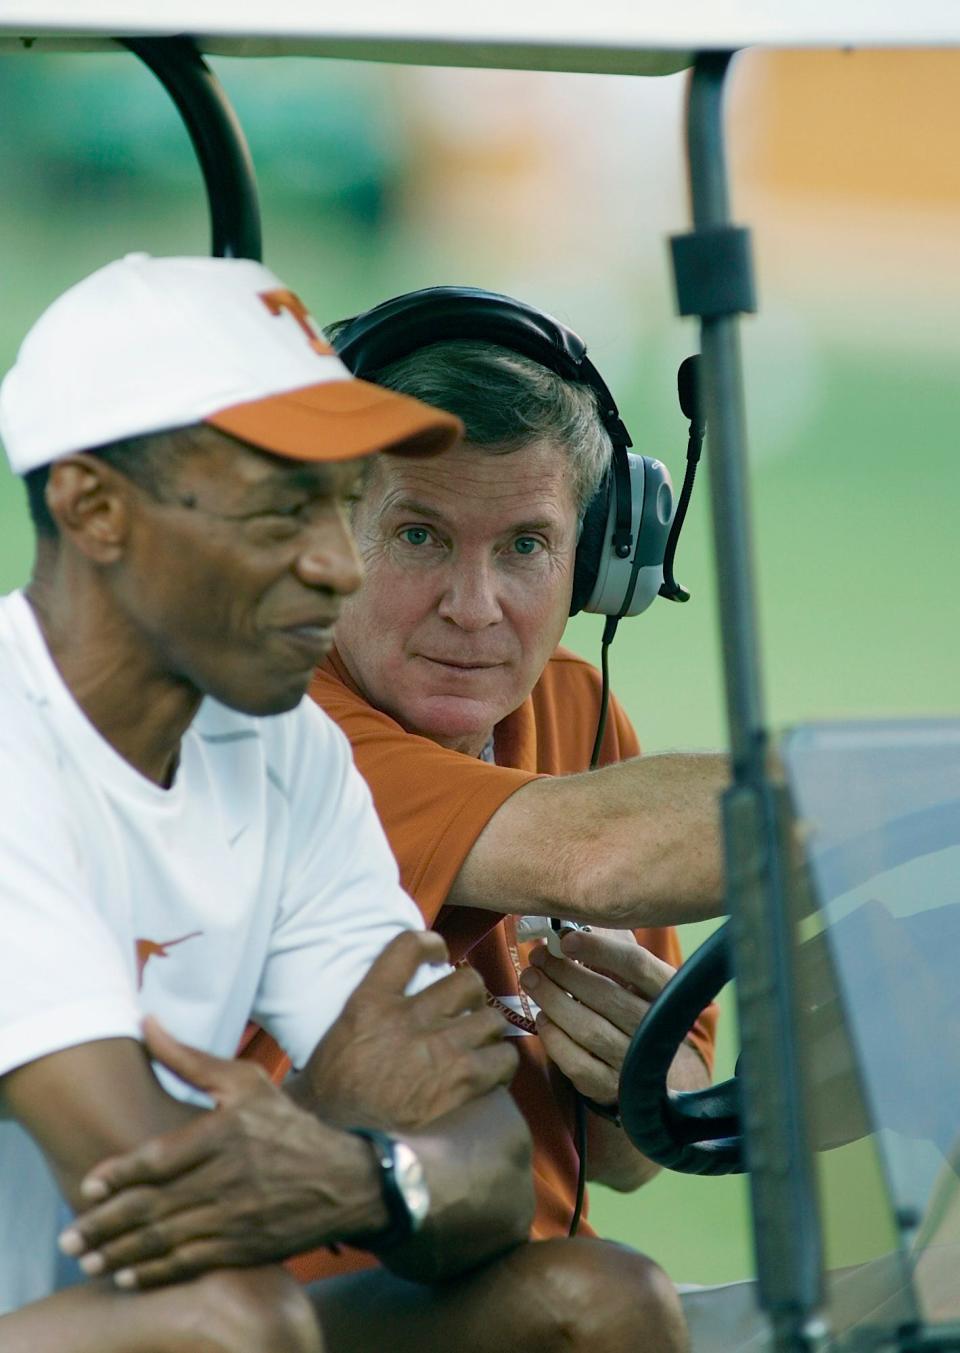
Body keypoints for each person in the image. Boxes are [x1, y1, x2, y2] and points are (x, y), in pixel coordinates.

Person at [0, 255, 687, 1353]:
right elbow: (150, 1216)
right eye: (284, 511)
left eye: (336, 507)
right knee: (237, 1320)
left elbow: (490, 1176)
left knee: (604, 1303)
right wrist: (358, 1141)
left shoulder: (287, 753)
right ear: (93, 509)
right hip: (129, 1310)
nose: (335, 564)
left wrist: (359, 1165)